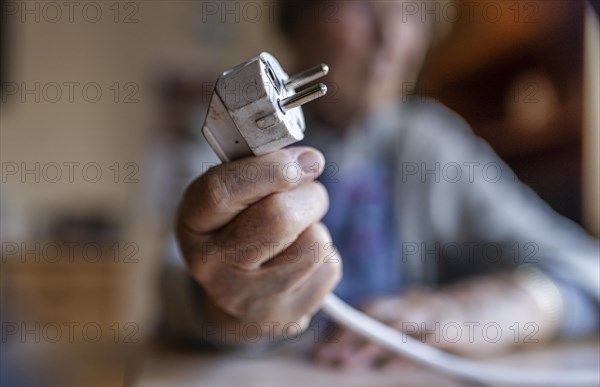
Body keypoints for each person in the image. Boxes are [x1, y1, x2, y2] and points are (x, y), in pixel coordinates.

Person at [166, 0, 599, 368]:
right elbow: (165, 286)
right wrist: (224, 308)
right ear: (298, 18)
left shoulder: (431, 146)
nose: (392, 40)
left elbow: (586, 268)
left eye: (412, 9)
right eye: (362, 4)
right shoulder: (227, 137)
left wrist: (513, 303)